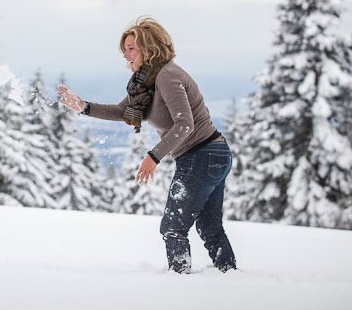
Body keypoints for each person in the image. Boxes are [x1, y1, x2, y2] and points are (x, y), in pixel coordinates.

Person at [58, 17, 236, 273]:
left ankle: (180, 282)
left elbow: (184, 124)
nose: (126, 55)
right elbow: (123, 110)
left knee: (173, 228)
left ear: (150, 48)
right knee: (209, 227)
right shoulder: (148, 81)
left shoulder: (167, 76)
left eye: (131, 48)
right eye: (124, 50)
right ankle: (229, 277)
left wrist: (152, 157)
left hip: (200, 155)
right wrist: (84, 107)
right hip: (213, 154)